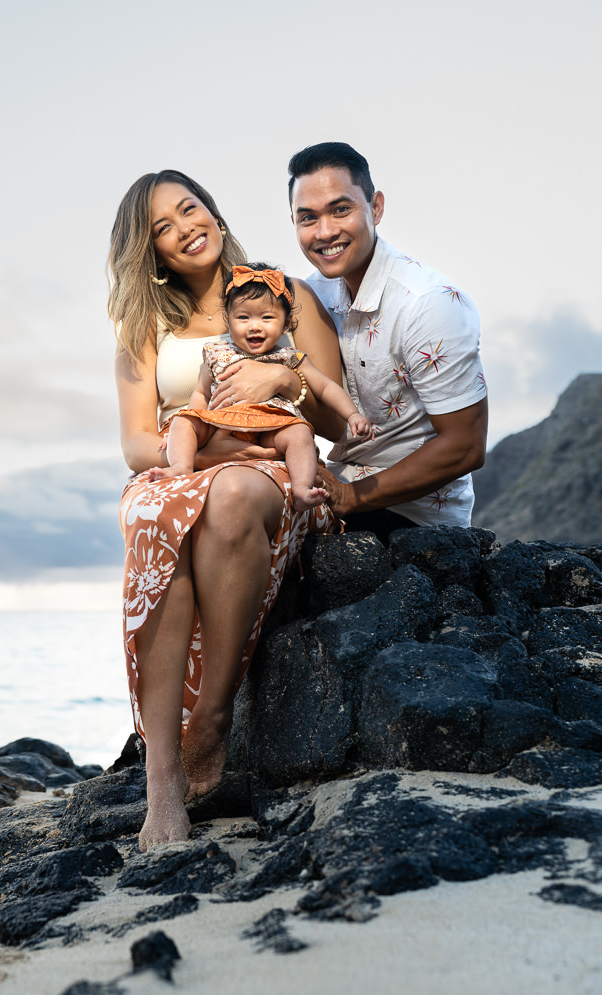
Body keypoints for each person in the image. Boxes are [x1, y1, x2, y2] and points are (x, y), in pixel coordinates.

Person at [108, 170, 343, 850]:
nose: (185, 225)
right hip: (182, 466)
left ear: (212, 211)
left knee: (235, 493)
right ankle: (161, 781)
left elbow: (327, 416)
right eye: (162, 226)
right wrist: (207, 454)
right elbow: (134, 442)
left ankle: (210, 721)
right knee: (160, 513)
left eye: (190, 207)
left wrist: (284, 376)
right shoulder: (144, 326)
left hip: (277, 472)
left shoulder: (279, 293)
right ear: (149, 252)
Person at [287, 142, 489, 543]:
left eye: (340, 209)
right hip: (341, 491)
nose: (324, 232)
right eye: (307, 218)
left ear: (375, 207)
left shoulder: (428, 305)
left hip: (414, 521)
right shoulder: (313, 296)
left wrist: (350, 497)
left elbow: (465, 446)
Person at [148, 262, 373, 511]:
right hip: (220, 423)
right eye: (243, 317)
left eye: (267, 317)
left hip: (271, 426)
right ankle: (181, 466)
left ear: (286, 324)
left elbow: (326, 388)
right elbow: (201, 394)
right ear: (229, 320)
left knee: (299, 434)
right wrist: (192, 423)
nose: (255, 325)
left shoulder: (290, 357)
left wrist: (352, 414)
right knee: (182, 421)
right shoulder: (216, 354)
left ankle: (301, 488)